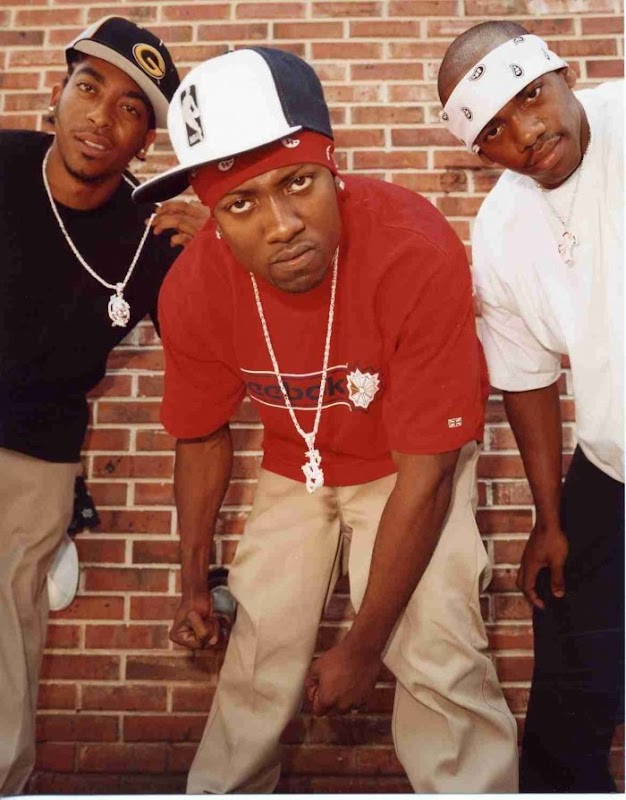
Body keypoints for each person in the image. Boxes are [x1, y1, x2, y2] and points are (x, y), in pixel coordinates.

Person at [133, 46, 519, 794]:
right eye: (240, 204)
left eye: (298, 182)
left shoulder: (413, 247)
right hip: (296, 463)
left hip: (408, 468)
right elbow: (200, 437)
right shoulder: (193, 288)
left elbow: (428, 477)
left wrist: (364, 647)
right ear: (214, 217)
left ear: (332, 164)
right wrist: (191, 584)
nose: (281, 226)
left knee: (438, 650)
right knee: (257, 653)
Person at [0, 16, 209, 794]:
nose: (100, 116)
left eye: (130, 108)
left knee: (7, 631)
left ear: (145, 140)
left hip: (36, 448)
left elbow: (218, 356)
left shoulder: (154, 228)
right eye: (89, 88)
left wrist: (218, 254)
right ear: (56, 94)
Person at [438, 21, 624, 792]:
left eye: (531, 97)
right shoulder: (502, 229)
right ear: (482, 153)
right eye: (494, 130)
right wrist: (550, 519)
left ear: (563, 74)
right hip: (612, 469)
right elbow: (526, 378)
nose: (525, 133)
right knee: (568, 708)